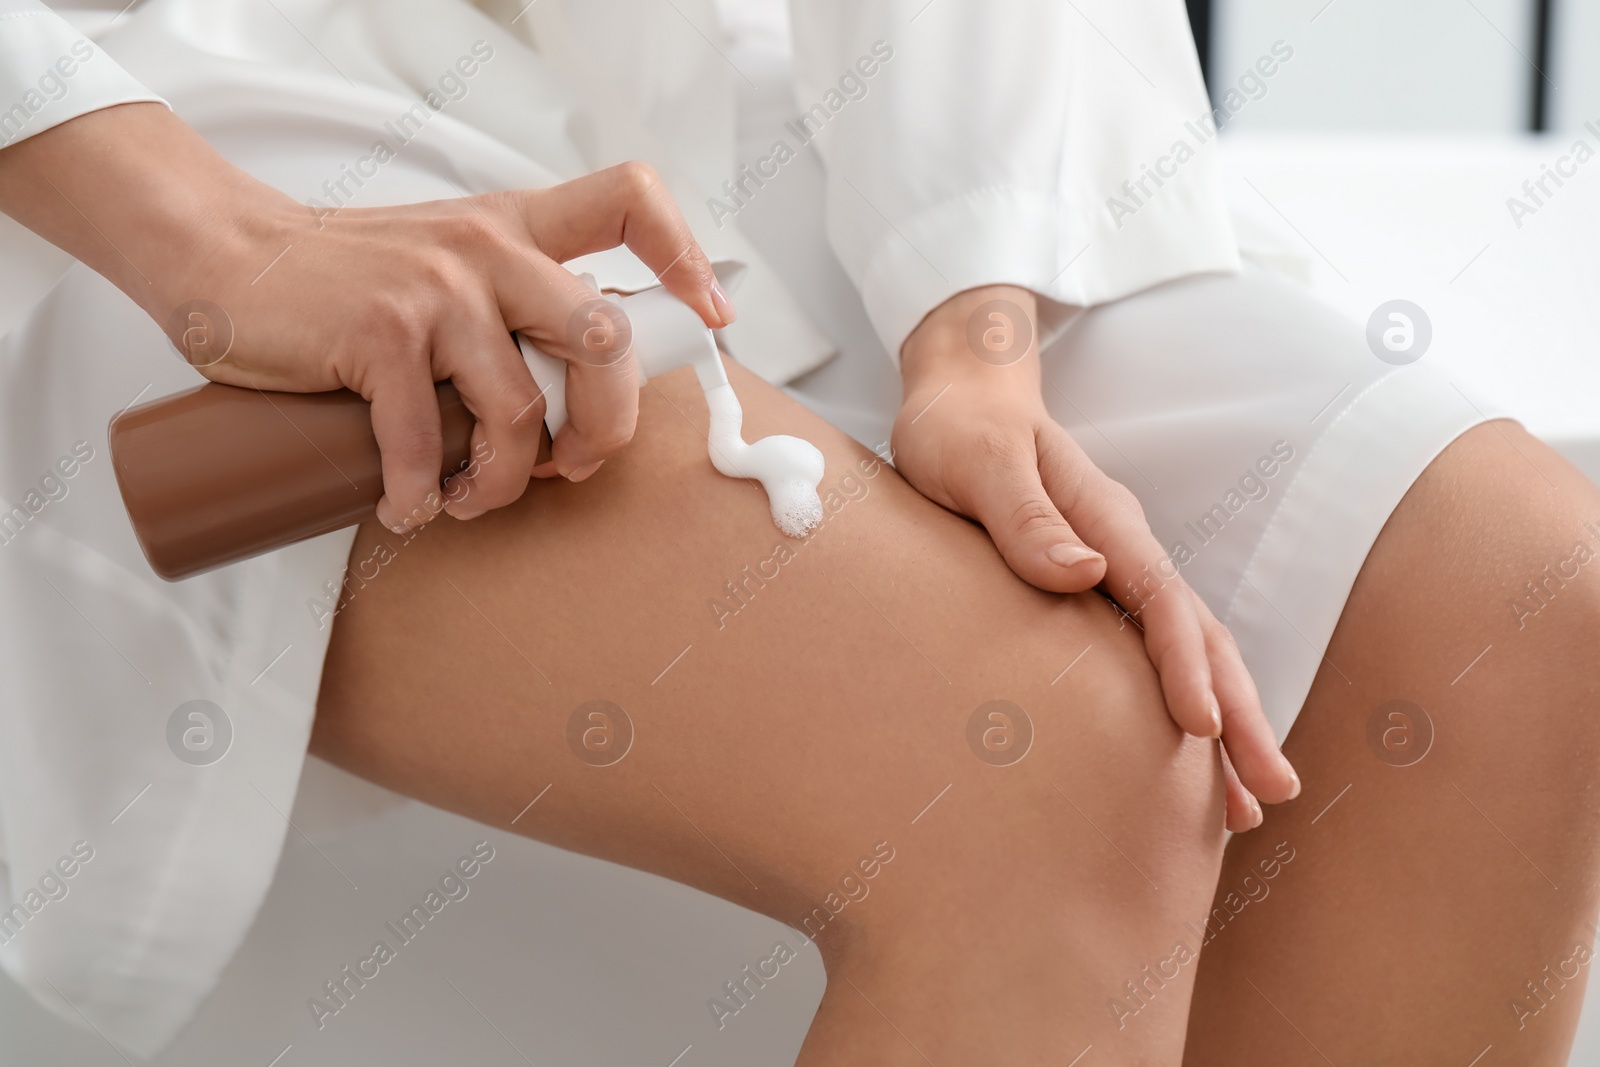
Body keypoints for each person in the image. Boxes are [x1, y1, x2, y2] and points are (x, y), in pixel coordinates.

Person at [2, 0, 1598, 1063]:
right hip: (94, 143)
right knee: (1039, 766)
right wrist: (213, 232)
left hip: (608, 78)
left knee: (1515, 603)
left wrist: (976, 331)